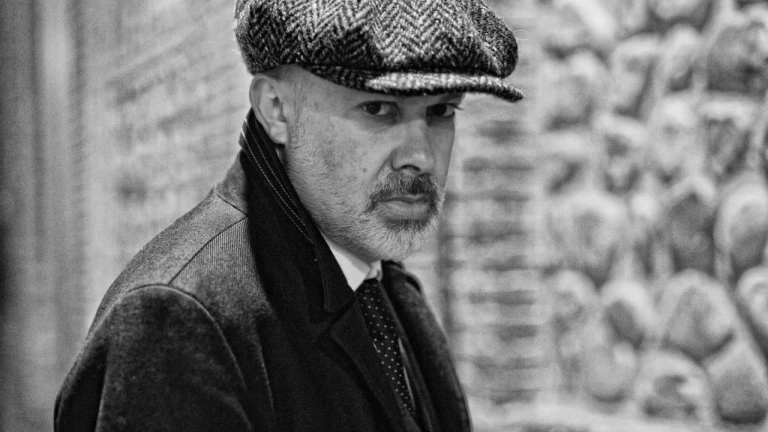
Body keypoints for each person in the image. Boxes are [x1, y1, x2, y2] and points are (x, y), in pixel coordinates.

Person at [54, 0, 523, 430]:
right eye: (378, 109)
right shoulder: (177, 321)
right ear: (276, 110)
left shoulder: (380, 284)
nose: (419, 156)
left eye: (441, 111)